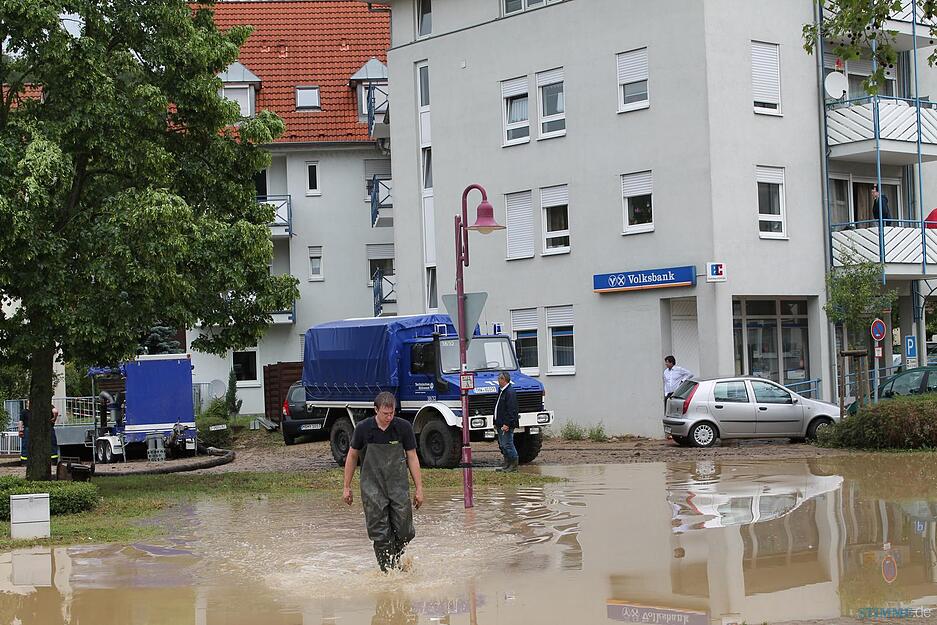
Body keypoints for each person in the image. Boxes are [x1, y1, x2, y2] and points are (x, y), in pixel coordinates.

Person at [343, 392, 424, 572]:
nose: (389, 417)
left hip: (398, 487)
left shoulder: (403, 427)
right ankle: (388, 572)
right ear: (376, 410)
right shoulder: (363, 428)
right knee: (380, 534)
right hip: (372, 488)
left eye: (392, 413)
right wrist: (346, 487)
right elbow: (352, 456)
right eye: (385, 414)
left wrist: (419, 488)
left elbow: (412, 457)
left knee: (405, 531)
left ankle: (395, 557)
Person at [494, 371, 520, 472]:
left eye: (499, 379)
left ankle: (513, 466)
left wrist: (507, 424)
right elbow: (498, 408)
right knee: (503, 445)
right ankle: (507, 464)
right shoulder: (501, 391)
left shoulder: (510, 392)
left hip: (506, 424)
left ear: (503, 379)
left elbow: (512, 410)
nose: (497, 381)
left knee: (508, 444)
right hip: (500, 423)